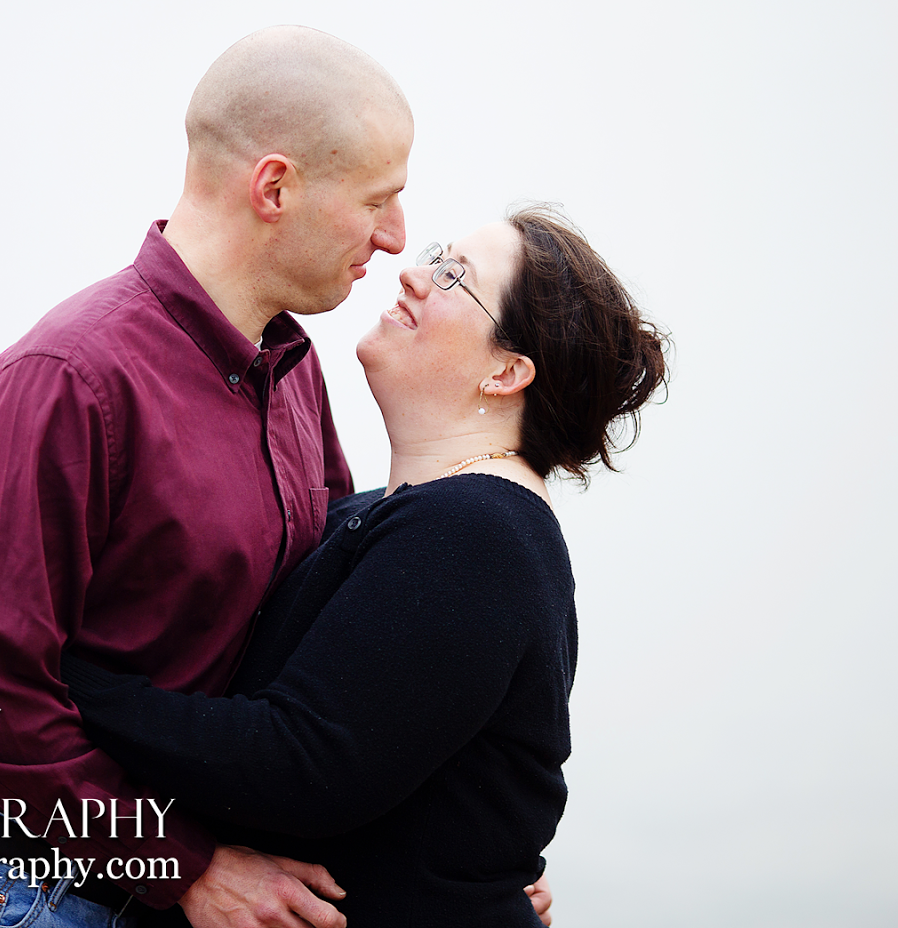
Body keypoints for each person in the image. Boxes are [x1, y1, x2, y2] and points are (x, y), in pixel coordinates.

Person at [0, 25, 412, 928]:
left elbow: (306, 661)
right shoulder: (65, 381)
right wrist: (187, 867)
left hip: (118, 891)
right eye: (378, 200)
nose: (395, 236)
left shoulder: (290, 373)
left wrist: (466, 872)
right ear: (275, 187)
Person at [63, 206, 670, 927]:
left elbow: (301, 763)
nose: (414, 274)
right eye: (437, 255)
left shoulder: (477, 531)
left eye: (455, 276)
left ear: (507, 372)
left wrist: (58, 682)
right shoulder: (391, 514)